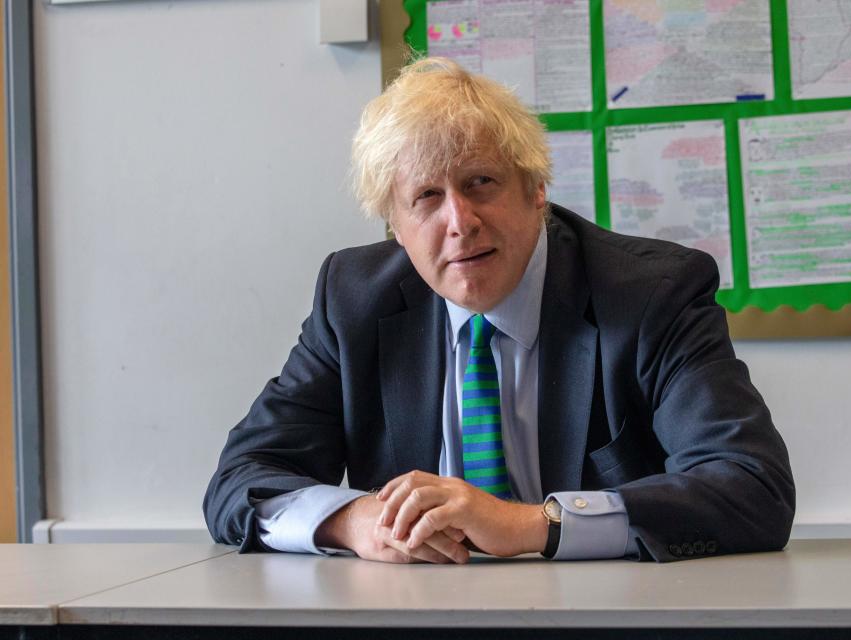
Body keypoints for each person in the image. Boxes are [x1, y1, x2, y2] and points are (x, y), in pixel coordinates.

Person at [203, 57, 795, 564]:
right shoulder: (354, 298)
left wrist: (527, 525)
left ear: (537, 189)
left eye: (481, 182)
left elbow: (753, 487)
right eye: (426, 198)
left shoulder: (650, 294)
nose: (459, 223)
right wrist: (352, 521)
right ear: (396, 224)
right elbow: (240, 480)